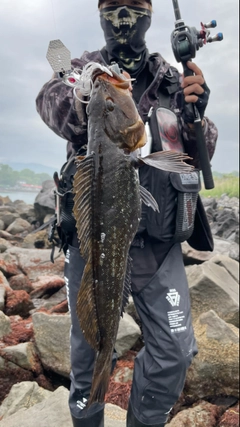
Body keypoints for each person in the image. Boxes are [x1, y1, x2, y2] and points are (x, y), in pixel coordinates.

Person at [36, 1, 218, 426]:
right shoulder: (82, 69)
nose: (122, 17)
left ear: (151, 14)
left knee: (174, 349)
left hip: (155, 240)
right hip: (93, 237)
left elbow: (199, 153)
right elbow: (50, 101)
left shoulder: (171, 79)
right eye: (112, 7)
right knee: (87, 357)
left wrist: (198, 116)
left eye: (134, 7)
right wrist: (83, 94)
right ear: (99, 14)